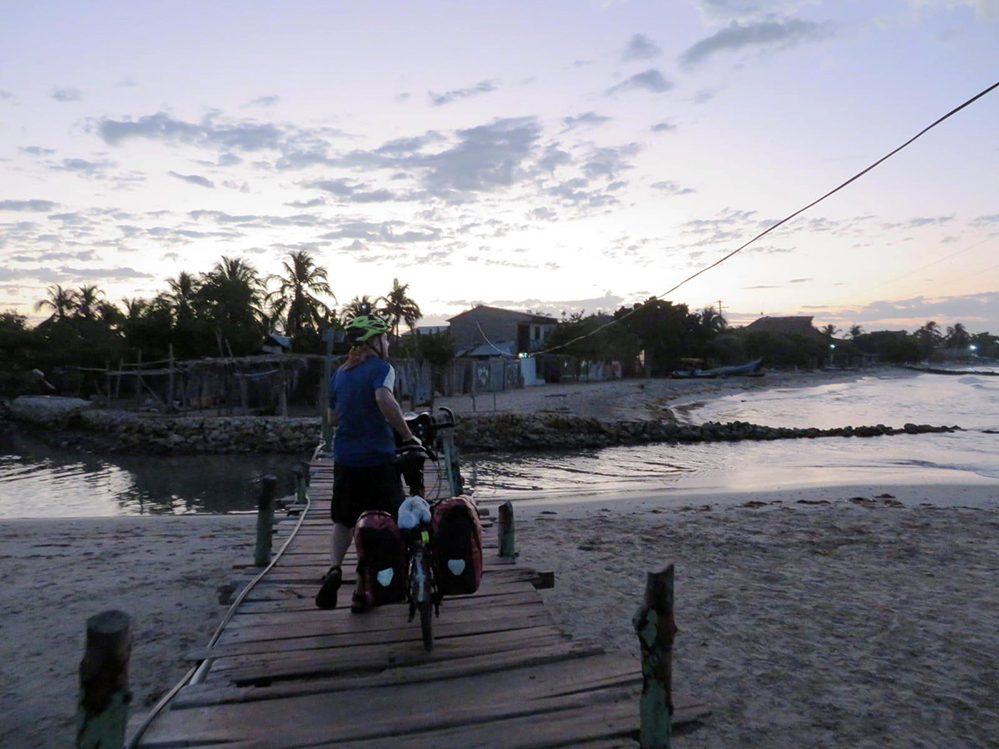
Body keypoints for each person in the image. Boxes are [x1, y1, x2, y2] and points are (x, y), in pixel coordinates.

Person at [315, 310, 419, 612]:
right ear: (374, 341)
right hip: (378, 459)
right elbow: (384, 400)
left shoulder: (340, 373)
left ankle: (334, 569)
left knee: (344, 520)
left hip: (346, 459)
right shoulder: (382, 368)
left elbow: (332, 418)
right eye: (384, 337)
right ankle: (363, 589)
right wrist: (408, 435)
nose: (387, 342)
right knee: (389, 522)